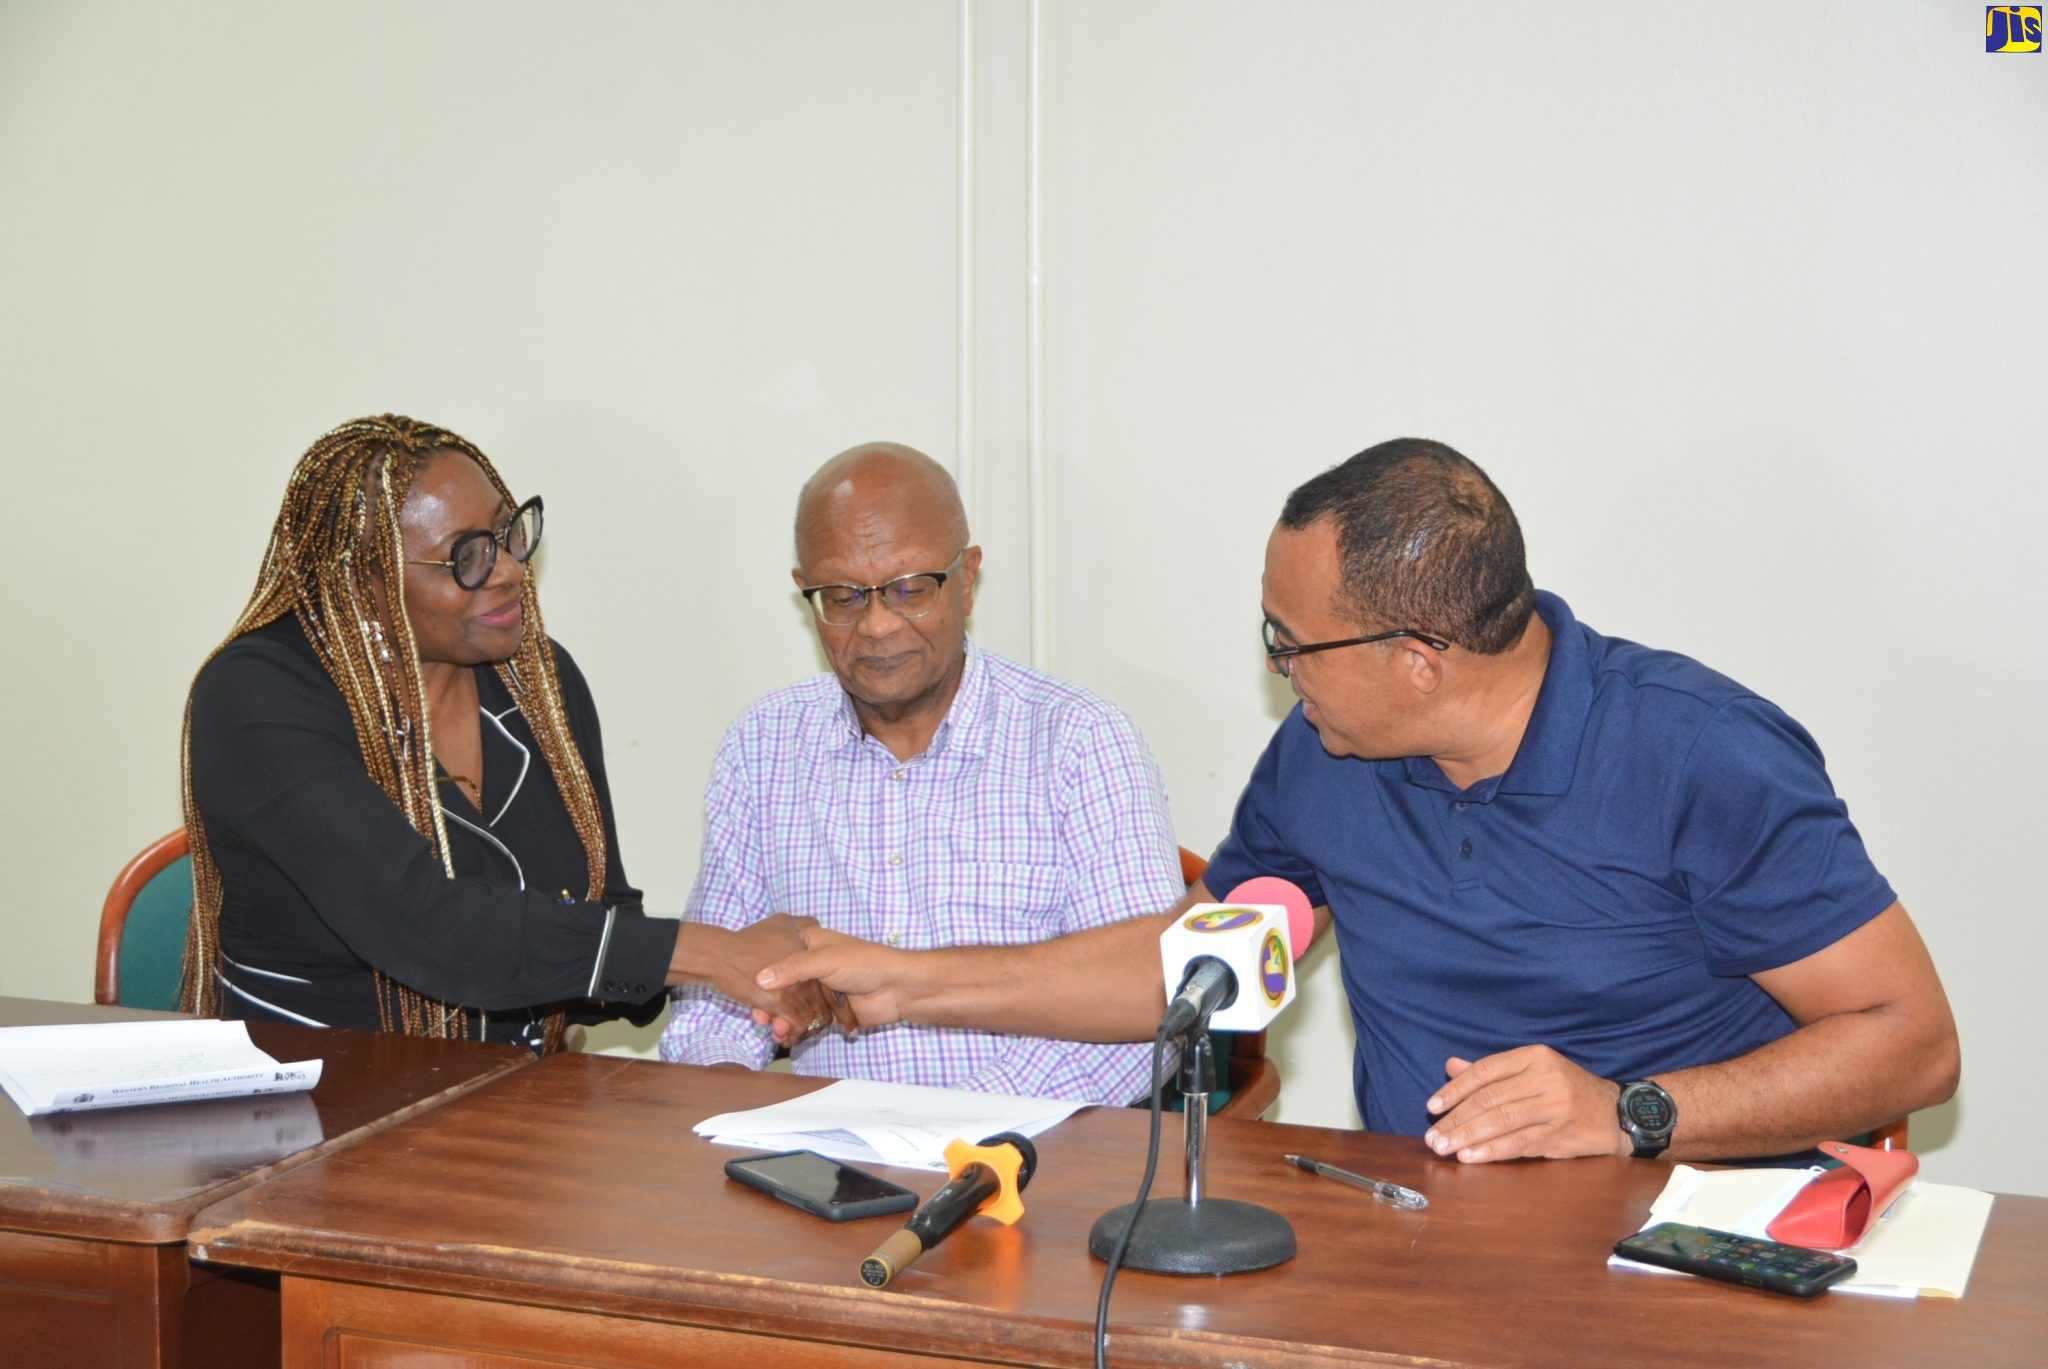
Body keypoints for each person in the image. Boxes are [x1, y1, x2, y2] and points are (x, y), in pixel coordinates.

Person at [755, 438, 1960, 1161]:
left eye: (1292, 643)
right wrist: (906, 977)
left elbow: (1912, 1043)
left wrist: (1626, 1111)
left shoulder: (1696, 756)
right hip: (1422, 1236)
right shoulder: (1327, 758)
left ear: (1417, 660)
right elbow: (1192, 969)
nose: (1275, 670)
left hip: (1674, 1244)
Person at [180, 414, 840, 1051]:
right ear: (365, 581)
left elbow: (596, 914)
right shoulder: (256, 697)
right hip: (311, 1107)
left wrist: (779, 973)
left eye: (508, 532)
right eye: (466, 555)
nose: (509, 569)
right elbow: (423, 924)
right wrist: (710, 954)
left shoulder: (540, 683)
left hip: (504, 1099)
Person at [659, 442, 1183, 1103]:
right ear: (805, 594)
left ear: (968, 577)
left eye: (909, 588)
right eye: (843, 596)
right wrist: (735, 1096)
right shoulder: (762, 748)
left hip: (1037, 1161)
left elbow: (1151, 1014)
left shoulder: (1080, 743)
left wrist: (953, 1124)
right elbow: (713, 997)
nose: (877, 625)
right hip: (831, 1165)